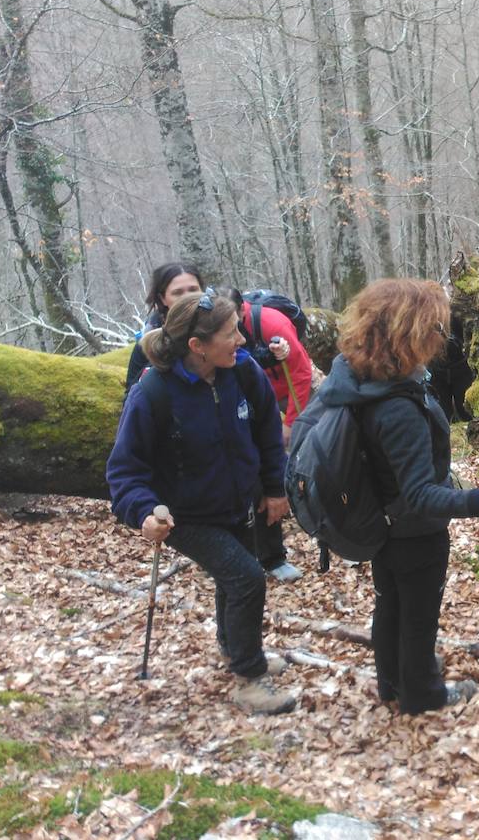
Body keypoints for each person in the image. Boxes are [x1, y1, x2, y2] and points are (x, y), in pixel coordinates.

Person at [319, 278, 479, 714]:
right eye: (436, 329)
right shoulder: (397, 408)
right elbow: (420, 496)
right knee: (418, 616)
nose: (441, 339)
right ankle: (422, 695)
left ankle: (393, 682)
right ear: (410, 333)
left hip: (381, 521)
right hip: (412, 531)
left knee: (391, 603)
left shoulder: (360, 379)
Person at [107, 292, 297, 715]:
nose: (243, 342)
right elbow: (123, 471)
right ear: (198, 346)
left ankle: (233, 650)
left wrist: (274, 488)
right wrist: (143, 513)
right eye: (231, 335)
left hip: (236, 502)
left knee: (234, 579)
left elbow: (267, 430)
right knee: (247, 578)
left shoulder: (242, 371)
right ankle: (249, 678)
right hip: (186, 516)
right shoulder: (153, 393)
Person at [226, 289, 314, 583]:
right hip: (241, 405)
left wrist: (291, 423)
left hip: (282, 398)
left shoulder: (272, 323)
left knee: (293, 461)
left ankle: (280, 550)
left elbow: (301, 373)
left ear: (241, 310)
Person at [123, 262, 205, 394]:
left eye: (193, 290)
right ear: (163, 299)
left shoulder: (222, 327)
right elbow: (131, 396)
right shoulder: (149, 341)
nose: (188, 298)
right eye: (177, 293)